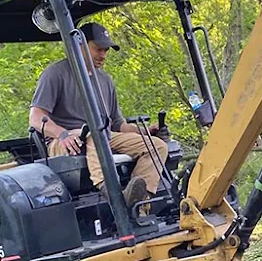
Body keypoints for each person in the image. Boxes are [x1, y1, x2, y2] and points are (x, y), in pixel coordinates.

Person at [29, 21, 168, 207]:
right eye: (98, 49)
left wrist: (145, 131)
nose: (103, 55)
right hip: (63, 141)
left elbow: (118, 123)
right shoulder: (55, 74)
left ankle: (138, 203)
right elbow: (36, 118)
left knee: (157, 146)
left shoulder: (105, 80)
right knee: (95, 132)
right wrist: (62, 134)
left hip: (101, 136)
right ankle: (113, 195)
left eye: (106, 51)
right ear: (79, 45)